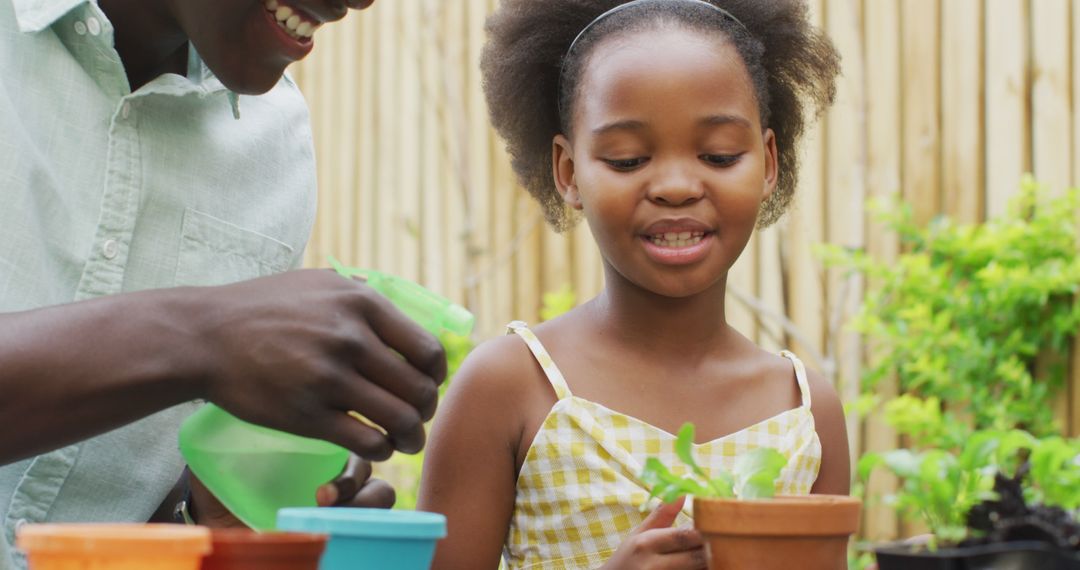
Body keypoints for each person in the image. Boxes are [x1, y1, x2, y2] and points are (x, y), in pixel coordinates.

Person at [0, 0, 445, 567]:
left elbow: (127, 508)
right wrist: (200, 336)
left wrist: (211, 514)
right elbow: (203, 341)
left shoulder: (276, 149)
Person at [416, 0, 847, 568]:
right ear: (569, 172)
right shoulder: (510, 388)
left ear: (768, 162)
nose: (674, 185)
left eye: (718, 155)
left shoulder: (804, 410)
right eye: (627, 159)